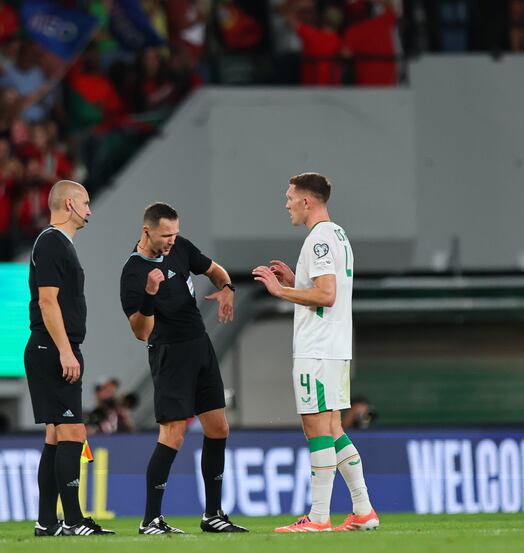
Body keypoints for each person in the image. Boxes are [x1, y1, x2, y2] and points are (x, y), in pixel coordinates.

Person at [252, 172, 378, 532]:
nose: (286, 203)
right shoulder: (337, 234)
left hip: (317, 349)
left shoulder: (319, 239)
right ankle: (363, 509)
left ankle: (319, 516)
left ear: (307, 201)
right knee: (334, 428)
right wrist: (298, 283)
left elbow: (326, 295)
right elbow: (324, 290)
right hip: (335, 348)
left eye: (290, 196)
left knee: (317, 428)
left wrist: (280, 291)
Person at [120, 202, 247, 535]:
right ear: (147, 231)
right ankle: (150, 520)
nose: (172, 240)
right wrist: (149, 293)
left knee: (218, 428)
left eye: (175, 233)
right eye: (166, 235)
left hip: (199, 346)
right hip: (169, 352)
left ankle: (213, 514)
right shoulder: (133, 273)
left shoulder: (181, 248)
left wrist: (227, 290)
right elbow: (141, 331)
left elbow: (217, 271)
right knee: (173, 434)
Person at [23, 179, 113, 537]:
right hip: (52, 348)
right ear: (70, 204)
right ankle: (74, 521)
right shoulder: (51, 243)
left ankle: (47, 521)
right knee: (73, 430)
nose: (90, 210)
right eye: (86, 203)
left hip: (52, 347)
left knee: (56, 436)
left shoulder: (58, 244)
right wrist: (64, 350)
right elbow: (47, 301)